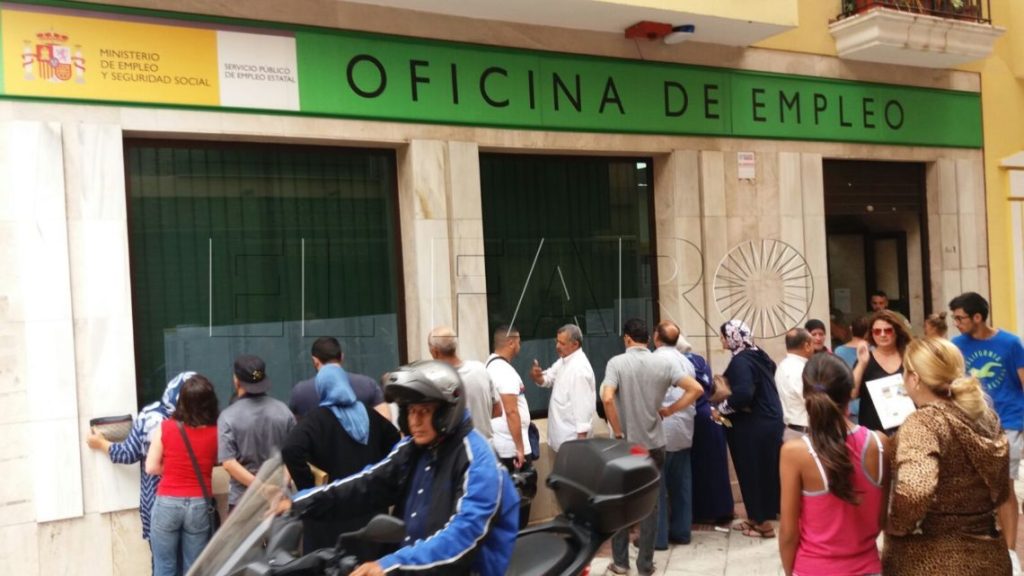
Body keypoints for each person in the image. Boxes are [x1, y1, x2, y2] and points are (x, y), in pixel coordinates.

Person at [291, 360, 520, 575]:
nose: (414, 421)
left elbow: (462, 536)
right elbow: (367, 484)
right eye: (410, 411)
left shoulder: (477, 460)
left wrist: (389, 565)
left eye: (424, 411)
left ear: (446, 411)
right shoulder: (413, 449)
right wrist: (298, 504)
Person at [883, 337, 1015, 575]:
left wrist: (897, 524)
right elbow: (1002, 489)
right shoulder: (985, 418)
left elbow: (916, 490)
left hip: (933, 559)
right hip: (989, 555)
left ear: (914, 379)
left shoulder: (924, 423)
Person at [601, 318, 702, 574]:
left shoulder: (616, 363)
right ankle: (645, 564)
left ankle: (620, 562)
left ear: (627, 338)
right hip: (654, 444)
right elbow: (695, 389)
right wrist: (670, 410)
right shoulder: (664, 363)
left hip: (626, 446)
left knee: (621, 502)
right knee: (651, 504)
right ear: (648, 338)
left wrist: (618, 431)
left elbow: (607, 398)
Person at [779, 354, 889, 576]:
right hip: (867, 567)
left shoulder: (795, 453)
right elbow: (880, 519)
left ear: (806, 395)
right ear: (850, 393)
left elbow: (789, 533)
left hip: (813, 569)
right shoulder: (879, 444)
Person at [281, 364, 401, 553]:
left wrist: (308, 486)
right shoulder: (370, 415)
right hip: (369, 514)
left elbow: (290, 449)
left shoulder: (316, 420)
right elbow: (395, 441)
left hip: (330, 517)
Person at [85, 371, 192, 562]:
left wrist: (100, 443)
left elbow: (127, 453)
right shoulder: (201, 420)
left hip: (159, 505)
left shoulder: (151, 417)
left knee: (163, 565)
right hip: (195, 504)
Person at [949, 291, 1024, 551]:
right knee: (976, 487)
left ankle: (1010, 551)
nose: (956, 323)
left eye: (960, 318)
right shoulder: (956, 345)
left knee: (1005, 486)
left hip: (1008, 422)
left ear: (978, 317)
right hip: (971, 423)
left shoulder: (1011, 343)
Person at [714, 320, 784, 538]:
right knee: (764, 471)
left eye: (724, 336)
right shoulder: (758, 354)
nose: (722, 340)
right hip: (768, 421)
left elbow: (744, 394)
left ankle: (763, 525)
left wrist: (721, 409)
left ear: (733, 337)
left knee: (751, 471)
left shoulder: (741, 361)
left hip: (753, 425)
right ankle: (757, 516)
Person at [145, 374, 220, 576]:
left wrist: (172, 468)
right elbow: (216, 460)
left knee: (164, 567)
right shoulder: (217, 432)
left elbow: (151, 467)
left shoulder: (166, 427)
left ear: (182, 401)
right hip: (200, 504)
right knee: (193, 569)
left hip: (167, 502)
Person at [218, 354, 296, 511]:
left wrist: (262, 488)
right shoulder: (284, 411)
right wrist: (281, 487)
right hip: (280, 502)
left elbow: (229, 463)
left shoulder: (227, 417)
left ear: (236, 380)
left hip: (243, 502)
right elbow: (294, 455)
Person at [652, 321, 702, 549]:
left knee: (657, 488)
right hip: (683, 429)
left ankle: (658, 537)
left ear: (657, 337)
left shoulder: (655, 360)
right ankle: (682, 532)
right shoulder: (686, 361)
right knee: (681, 485)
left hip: (663, 429)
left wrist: (670, 410)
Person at [680, 335, 734, 525]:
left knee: (701, 467)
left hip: (697, 417)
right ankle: (723, 510)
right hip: (712, 414)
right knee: (717, 466)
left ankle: (703, 512)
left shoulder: (680, 364)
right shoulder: (700, 360)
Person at [529, 324, 596, 452]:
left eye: (562, 343)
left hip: (573, 445)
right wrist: (537, 377)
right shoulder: (564, 360)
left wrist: (581, 448)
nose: (557, 346)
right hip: (560, 441)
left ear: (575, 344)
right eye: (557, 341)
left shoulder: (579, 370)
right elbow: (548, 379)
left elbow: (583, 410)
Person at [289, 337, 390, 420]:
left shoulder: (300, 391)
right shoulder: (368, 385)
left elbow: (292, 427)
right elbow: (386, 419)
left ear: (315, 360)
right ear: (342, 357)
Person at [428, 325, 501, 439]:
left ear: (435, 352)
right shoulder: (480, 369)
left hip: (460, 448)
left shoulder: (435, 382)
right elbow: (498, 410)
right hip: (487, 445)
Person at [852, 310, 911, 433]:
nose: (882, 335)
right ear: (871, 334)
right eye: (877, 331)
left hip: (907, 428)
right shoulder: (865, 359)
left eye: (888, 330)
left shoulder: (909, 357)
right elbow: (852, 393)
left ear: (897, 332)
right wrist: (862, 363)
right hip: (874, 431)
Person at [486, 324, 531, 472]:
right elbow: (511, 411)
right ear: (511, 343)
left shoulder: (491, 365)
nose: (520, 346)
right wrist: (520, 449)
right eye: (519, 342)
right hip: (511, 449)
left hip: (504, 444)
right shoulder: (503, 371)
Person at [775, 328, 814, 441]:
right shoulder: (800, 370)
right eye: (812, 344)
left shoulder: (782, 366)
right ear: (807, 346)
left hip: (792, 429)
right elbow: (811, 401)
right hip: (804, 432)